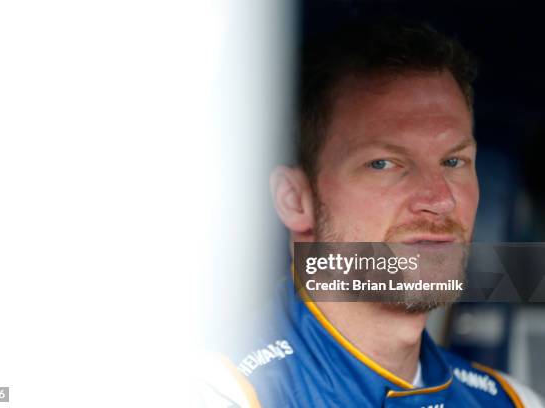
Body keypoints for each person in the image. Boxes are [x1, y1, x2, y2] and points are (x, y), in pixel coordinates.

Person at [201, 18, 544, 407]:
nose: (440, 199)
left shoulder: (513, 401)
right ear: (295, 199)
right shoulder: (220, 393)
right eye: (384, 164)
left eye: (453, 161)